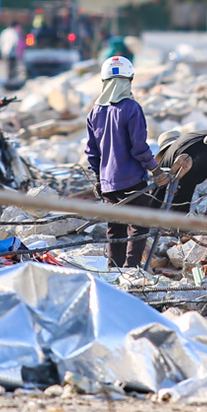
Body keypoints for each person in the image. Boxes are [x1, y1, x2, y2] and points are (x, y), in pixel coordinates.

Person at [84, 54, 157, 268]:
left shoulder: (95, 112)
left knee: (114, 227)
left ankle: (113, 270)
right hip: (132, 180)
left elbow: (91, 152)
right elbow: (139, 148)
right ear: (129, 81)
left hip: (108, 183)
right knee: (139, 224)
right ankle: (131, 268)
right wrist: (156, 170)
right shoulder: (131, 108)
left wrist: (99, 179)